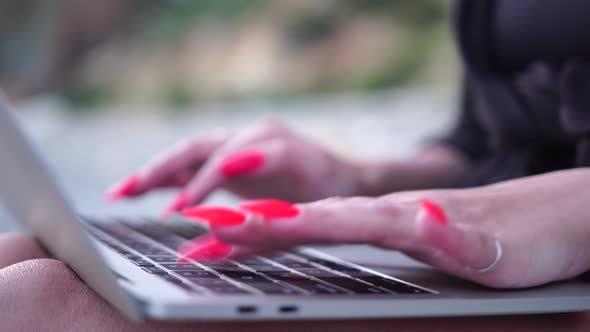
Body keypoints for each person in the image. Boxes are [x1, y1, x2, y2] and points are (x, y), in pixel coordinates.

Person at [2, 0, 590, 330]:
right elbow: (482, 137)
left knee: (40, 299)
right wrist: (361, 181)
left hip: (568, 286)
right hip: (496, 263)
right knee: (24, 256)